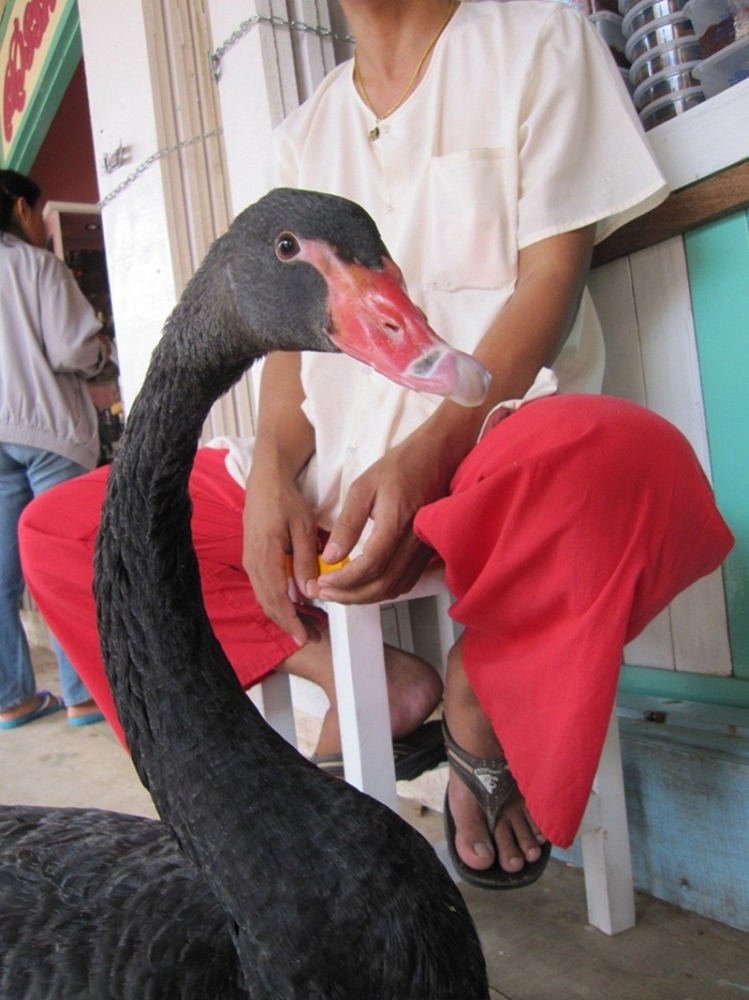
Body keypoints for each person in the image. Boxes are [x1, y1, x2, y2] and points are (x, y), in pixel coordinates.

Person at [20, 0, 733, 889]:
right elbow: (283, 358)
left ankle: (479, 696)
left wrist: (429, 450)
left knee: (630, 459)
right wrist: (275, 472)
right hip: (323, 469)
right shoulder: (302, 131)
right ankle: (350, 676)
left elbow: (551, 278)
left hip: (480, 446)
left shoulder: (537, 38)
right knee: (66, 529)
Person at [0, 169, 109, 730]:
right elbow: (74, 349)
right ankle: (82, 694)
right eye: (39, 212)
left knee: (2, 575)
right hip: (47, 432)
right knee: (64, 560)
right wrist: (103, 356)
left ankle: (12, 698)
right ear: (20, 209)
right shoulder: (36, 266)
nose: (43, 224)